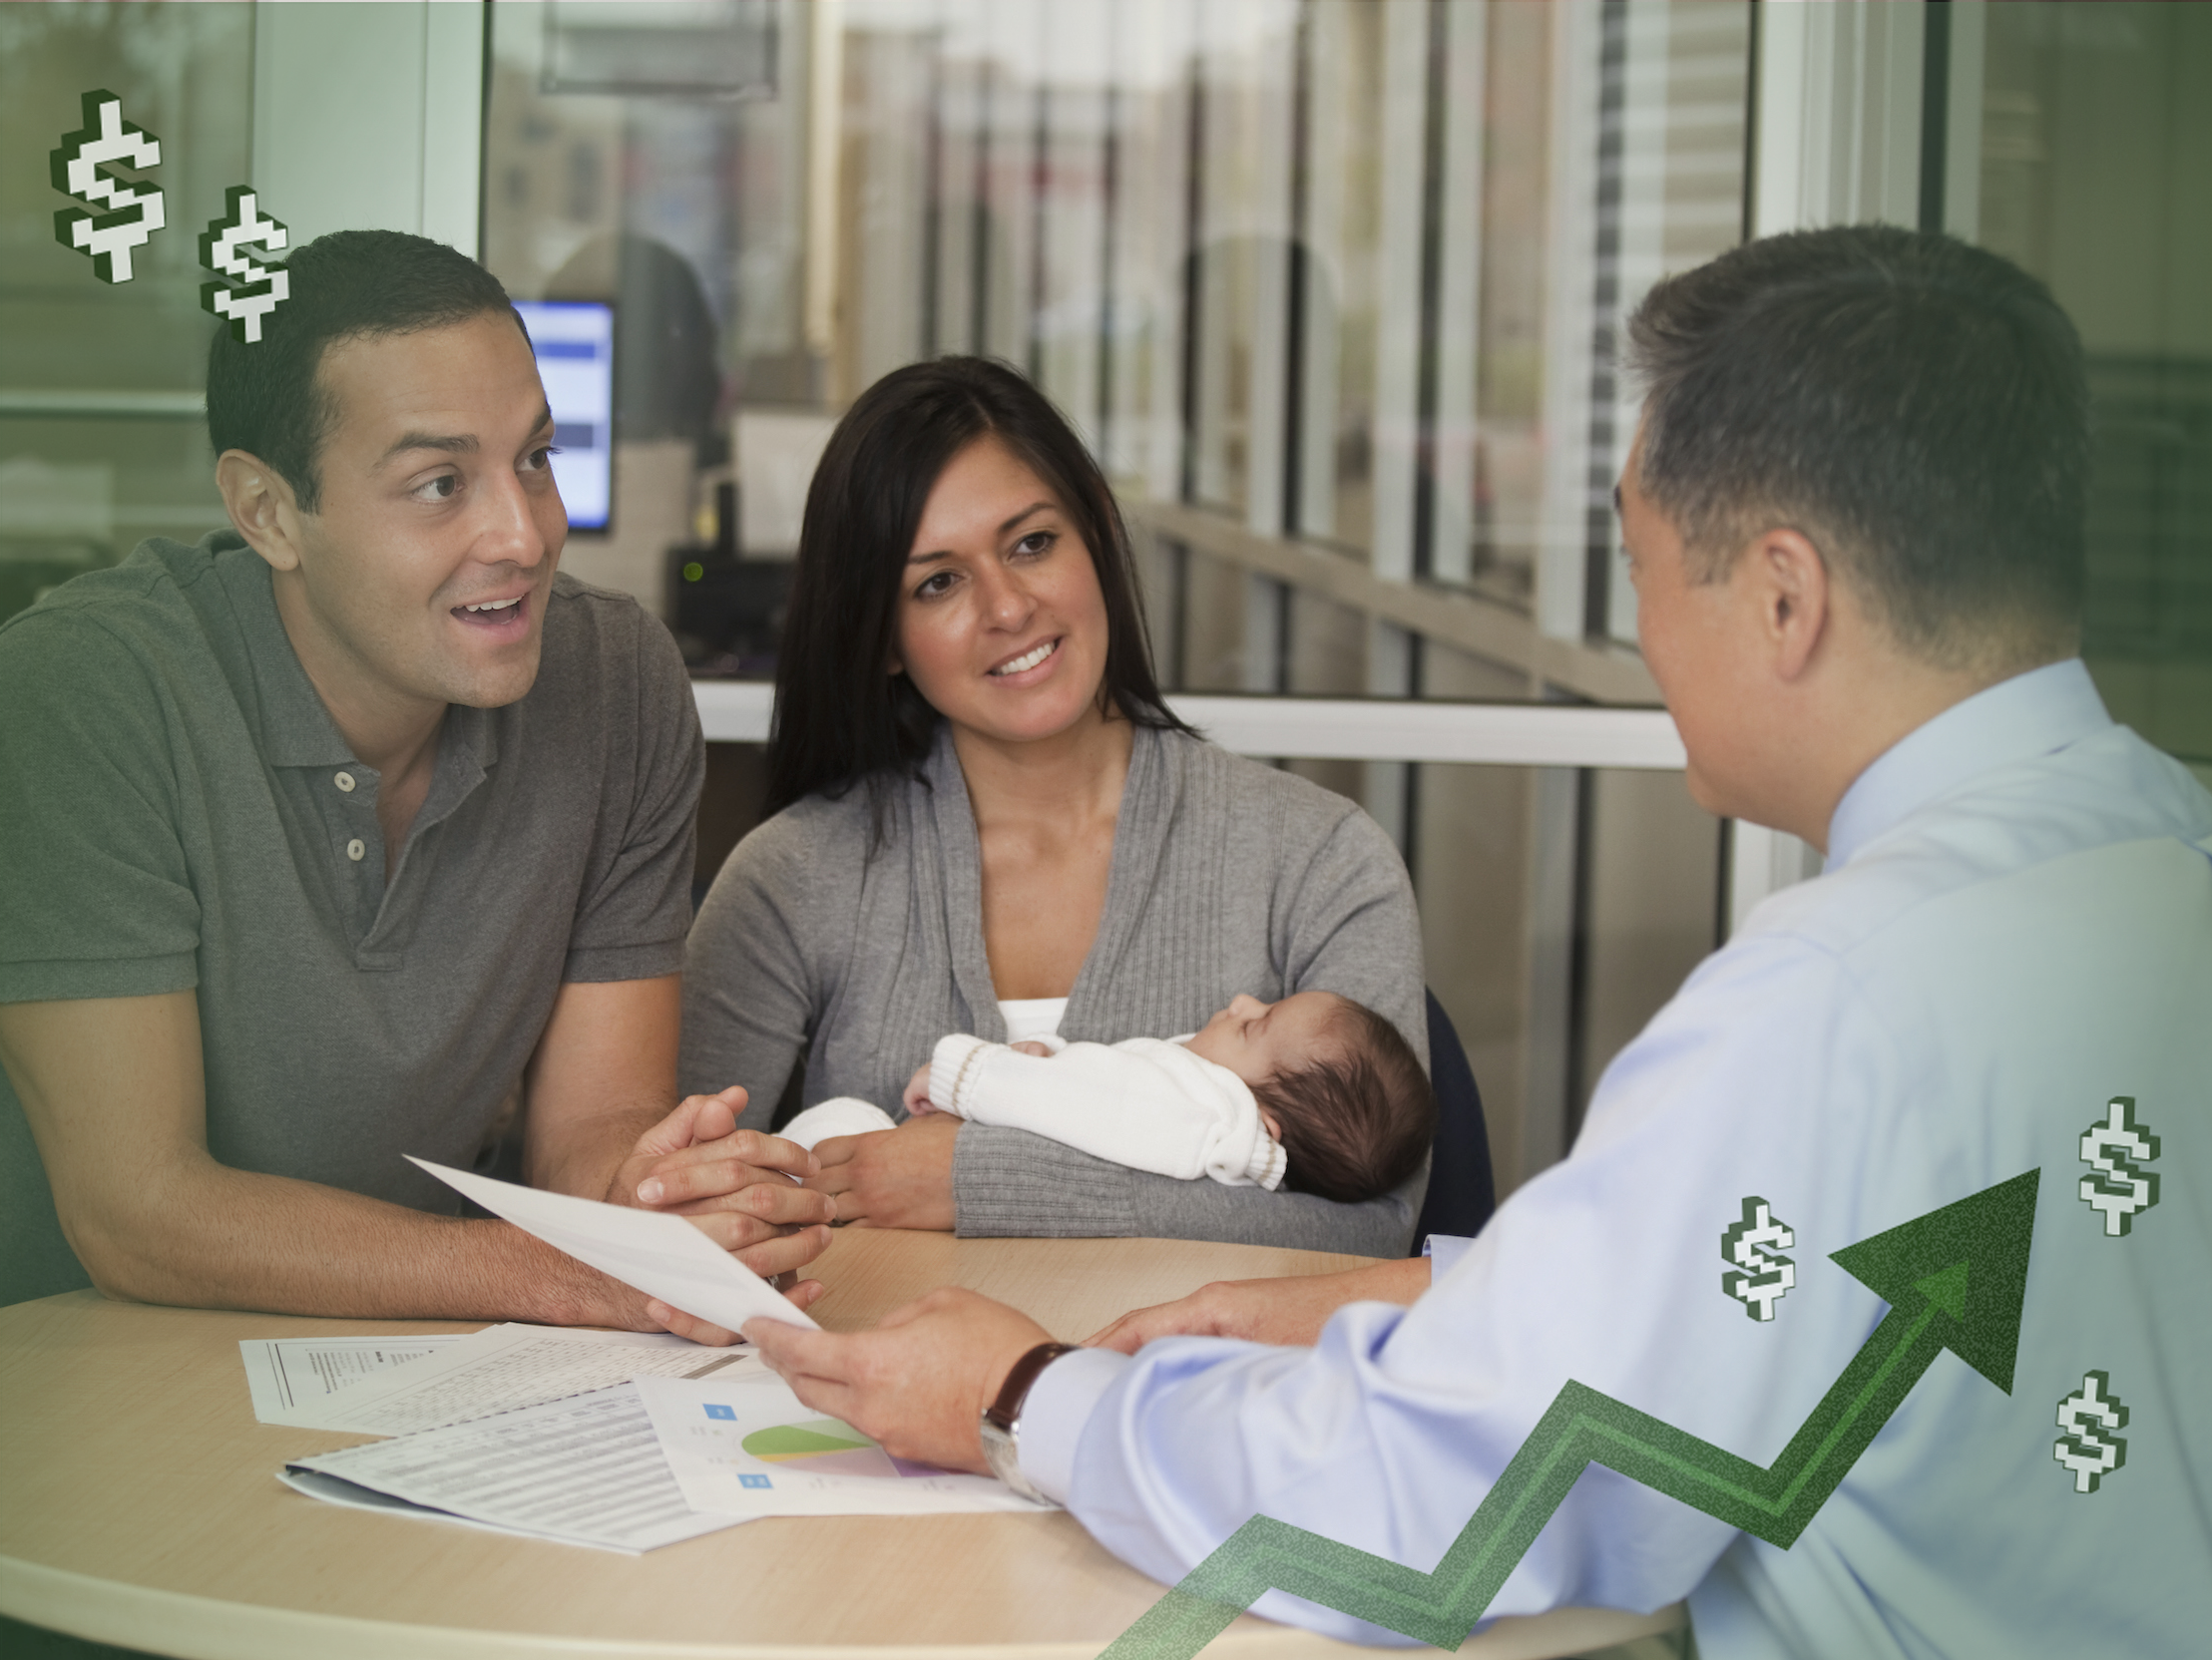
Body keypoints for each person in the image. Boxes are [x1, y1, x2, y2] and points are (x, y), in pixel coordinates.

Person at [724, 226, 2212, 1657]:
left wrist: (1022, 1392)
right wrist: (1428, 1294)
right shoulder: (2164, 861)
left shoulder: (1822, 1011)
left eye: (1636, 569)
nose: (1636, 641)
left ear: (1780, 595)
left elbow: (1444, 1501)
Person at [0, 230, 831, 1318]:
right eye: (440, 483)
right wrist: (573, 1271)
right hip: (85, 1377)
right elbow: (139, 1208)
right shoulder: (90, 691)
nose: (525, 534)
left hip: (414, 1362)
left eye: (535, 458)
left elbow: (588, 1129)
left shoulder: (618, 680)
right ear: (267, 514)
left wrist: (660, 1198)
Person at [675, 357, 1429, 1256]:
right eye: (937, 582)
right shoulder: (790, 879)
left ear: (1099, 537)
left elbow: (1375, 1231)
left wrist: (965, 1179)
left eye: (1032, 543)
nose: (1008, 607)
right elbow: (678, 1204)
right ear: (879, 636)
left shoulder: (1320, 860)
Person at [782, 991, 1436, 1203]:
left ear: (1265, 1123)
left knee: (841, 1125)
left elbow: (1089, 1106)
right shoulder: (1205, 1106)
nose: (1239, 1001)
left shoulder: (1208, 1111)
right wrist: (1053, 1059)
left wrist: (968, 1073)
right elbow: (1104, 1100)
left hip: (912, 1172)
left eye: (1253, 1025)